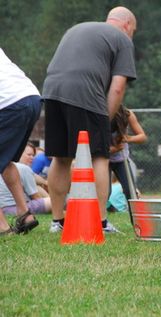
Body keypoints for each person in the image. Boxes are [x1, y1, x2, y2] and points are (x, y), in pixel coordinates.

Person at [42, 6, 137, 233]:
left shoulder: (78, 28)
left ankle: (57, 221)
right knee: (99, 156)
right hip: (85, 94)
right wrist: (105, 121)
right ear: (127, 26)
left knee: (61, 157)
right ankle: (101, 222)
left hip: (52, 90)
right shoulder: (122, 39)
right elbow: (117, 88)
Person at [0, 48, 42, 235]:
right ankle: (25, 214)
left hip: (9, 104)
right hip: (31, 98)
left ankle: (2, 228)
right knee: (5, 161)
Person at [110, 104, 147, 202]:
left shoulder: (127, 114)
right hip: (104, 158)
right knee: (105, 191)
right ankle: (101, 216)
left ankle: (134, 215)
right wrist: (114, 149)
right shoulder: (99, 113)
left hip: (121, 159)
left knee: (130, 190)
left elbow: (142, 136)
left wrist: (128, 138)